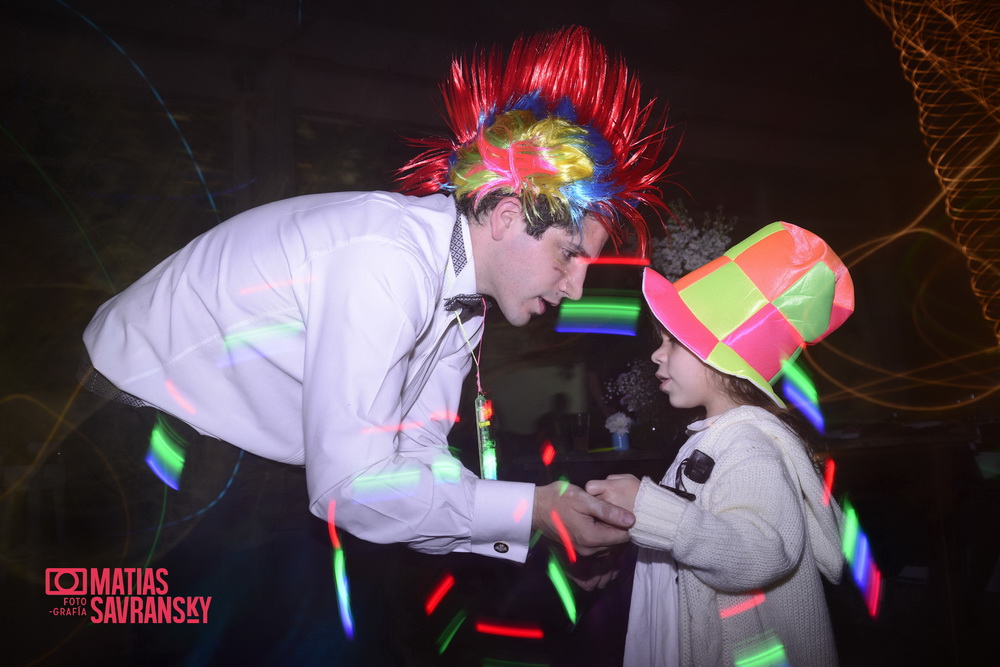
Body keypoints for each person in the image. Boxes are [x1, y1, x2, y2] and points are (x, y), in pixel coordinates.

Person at [67, 25, 676, 662]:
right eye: (570, 254)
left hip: (234, 451)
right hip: (144, 430)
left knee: (315, 629)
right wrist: (534, 512)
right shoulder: (387, 263)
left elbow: (414, 456)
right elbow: (354, 487)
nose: (577, 287)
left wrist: (548, 518)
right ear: (503, 217)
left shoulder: (463, 306)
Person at [587, 222, 854, 666]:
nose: (657, 354)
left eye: (674, 341)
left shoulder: (748, 448)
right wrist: (635, 546)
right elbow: (702, 533)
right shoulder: (716, 438)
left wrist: (651, 510)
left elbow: (761, 551)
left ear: (724, 357)